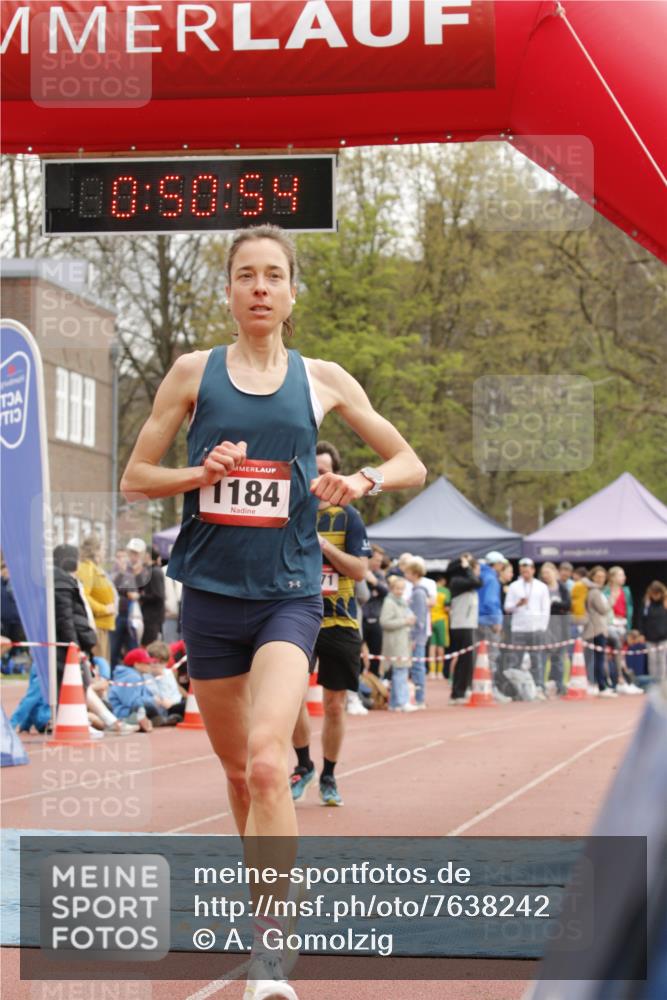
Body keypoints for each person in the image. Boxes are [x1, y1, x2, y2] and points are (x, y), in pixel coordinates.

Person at [120, 224, 426, 1000]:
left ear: (292, 293)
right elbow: (135, 477)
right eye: (245, 275)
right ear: (228, 292)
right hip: (212, 598)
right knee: (234, 770)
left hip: (290, 596)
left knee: (266, 762)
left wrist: (358, 481)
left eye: (273, 275)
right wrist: (199, 471)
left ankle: (269, 955)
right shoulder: (193, 373)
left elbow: (409, 463)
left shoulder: (321, 378)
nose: (259, 287)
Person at [289, 440, 372, 807]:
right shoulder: (290, 513)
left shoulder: (348, 516)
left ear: (334, 475)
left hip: (338, 620)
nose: (317, 478)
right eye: (312, 470)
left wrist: (325, 548)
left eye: (323, 472)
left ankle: (329, 775)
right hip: (294, 616)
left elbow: (359, 570)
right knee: (289, 698)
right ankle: (303, 764)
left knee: (335, 704)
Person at [504, 557, 551, 700]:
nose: (526, 573)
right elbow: (507, 607)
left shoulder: (541, 587)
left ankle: (539, 688)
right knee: (515, 661)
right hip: (519, 628)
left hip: (536, 628)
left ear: (533, 570)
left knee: (537, 660)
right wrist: (517, 604)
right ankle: (516, 691)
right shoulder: (514, 586)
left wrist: (542, 627)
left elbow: (546, 608)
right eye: (523, 571)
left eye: (528, 570)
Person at [109, 540, 151, 666]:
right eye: (132, 553)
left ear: (142, 555)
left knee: (133, 650)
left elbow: (146, 591)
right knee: (113, 650)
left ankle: (133, 680)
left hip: (136, 617)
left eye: (137, 554)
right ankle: (113, 679)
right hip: (119, 615)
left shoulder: (145, 572)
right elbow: (113, 587)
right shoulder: (120, 570)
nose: (134, 557)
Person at [379, 575, 417, 711]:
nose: (400, 591)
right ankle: (402, 702)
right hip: (395, 642)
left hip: (404, 640)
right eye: (397, 588)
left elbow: (408, 617)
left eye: (402, 588)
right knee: (400, 671)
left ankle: (395, 703)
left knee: (400, 670)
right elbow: (384, 622)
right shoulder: (389, 602)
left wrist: (410, 621)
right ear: (391, 588)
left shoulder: (402, 601)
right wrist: (405, 621)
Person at [77, 533, 117, 662]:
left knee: (104, 665)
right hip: (96, 625)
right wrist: (104, 609)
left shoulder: (95, 568)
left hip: (103, 625)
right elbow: (83, 596)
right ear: (95, 550)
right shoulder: (86, 568)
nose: (105, 552)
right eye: (103, 549)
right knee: (99, 666)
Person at [448, 554, 482, 704]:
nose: (478, 572)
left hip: (468, 624)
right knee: (464, 660)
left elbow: (479, 582)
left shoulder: (467, 583)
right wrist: (467, 566)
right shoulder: (458, 581)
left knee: (467, 660)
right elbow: (475, 581)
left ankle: (462, 689)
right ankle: (458, 693)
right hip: (461, 625)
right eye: (477, 569)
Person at [477, 551, 509, 700]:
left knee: (478, 657)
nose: (502, 566)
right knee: (491, 656)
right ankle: (491, 689)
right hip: (488, 622)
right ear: (496, 564)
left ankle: (478, 688)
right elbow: (491, 601)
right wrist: (496, 621)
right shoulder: (492, 578)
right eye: (501, 563)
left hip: (477, 620)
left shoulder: (479, 575)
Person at [539, 562, 571, 696]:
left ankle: (558, 684)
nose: (546, 575)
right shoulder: (540, 588)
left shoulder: (562, 587)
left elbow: (568, 605)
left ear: (554, 573)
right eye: (543, 573)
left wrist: (554, 604)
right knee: (543, 656)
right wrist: (557, 606)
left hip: (561, 625)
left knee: (559, 657)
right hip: (545, 624)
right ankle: (542, 685)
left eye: (548, 572)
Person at [583, 566, 615, 696]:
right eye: (598, 576)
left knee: (596, 659)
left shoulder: (596, 591)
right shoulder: (595, 592)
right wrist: (611, 600)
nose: (601, 579)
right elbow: (603, 609)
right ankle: (600, 686)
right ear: (592, 577)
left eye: (603, 577)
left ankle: (599, 684)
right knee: (598, 659)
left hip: (598, 628)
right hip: (596, 630)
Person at [403, 556, 430, 709]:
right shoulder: (417, 591)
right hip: (417, 635)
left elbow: (419, 618)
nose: (405, 575)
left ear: (414, 573)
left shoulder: (418, 593)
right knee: (416, 666)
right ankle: (417, 697)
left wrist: (413, 637)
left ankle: (419, 699)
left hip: (417, 637)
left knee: (418, 666)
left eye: (407, 572)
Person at [361, 545, 388, 677]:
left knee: (376, 656)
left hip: (376, 620)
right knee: (359, 657)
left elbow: (385, 592)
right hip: (361, 621)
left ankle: (374, 689)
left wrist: (375, 582)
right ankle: (358, 690)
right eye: (377, 560)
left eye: (380, 561)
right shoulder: (359, 572)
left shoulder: (379, 575)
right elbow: (363, 596)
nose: (379, 563)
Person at [640, 581, 667, 681]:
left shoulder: (665, 602)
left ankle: (663, 682)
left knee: (662, 660)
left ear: (661, 593)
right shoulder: (646, 603)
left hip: (664, 637)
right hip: (650, 638)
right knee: (652, 661)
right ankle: (654, 682)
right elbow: (641, 619)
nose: (655, 596)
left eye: (657, 593)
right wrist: (642, 634)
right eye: (653, 593)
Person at [140, 547, 166, 645]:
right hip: (149, 616)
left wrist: (140, 597)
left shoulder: (155, 572)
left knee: (150, 647)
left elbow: (158, 595)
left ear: (148, 556)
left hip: (153, 617)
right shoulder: (149, 571)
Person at [429, 574, 450, 679]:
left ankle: (432, 672)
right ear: (442, 581)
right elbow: (447, 608)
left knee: (432, 647)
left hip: (430, 620)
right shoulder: (445, 591)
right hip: (441, 620)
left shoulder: (429, 589)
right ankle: (440, 672)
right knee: (440, 647)